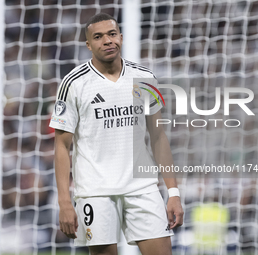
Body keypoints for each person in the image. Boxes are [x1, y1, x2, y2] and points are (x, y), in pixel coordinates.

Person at [49, 13, 183, 255]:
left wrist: (173, 192)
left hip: (142, 187)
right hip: (96, 191)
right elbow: (61, 146)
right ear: (88, 45)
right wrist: (64, 202)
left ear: (120, 37)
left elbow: (158, 136)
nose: (107, 41)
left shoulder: (145, 78)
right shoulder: (74, 83)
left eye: (111, 34)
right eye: (98, 37)